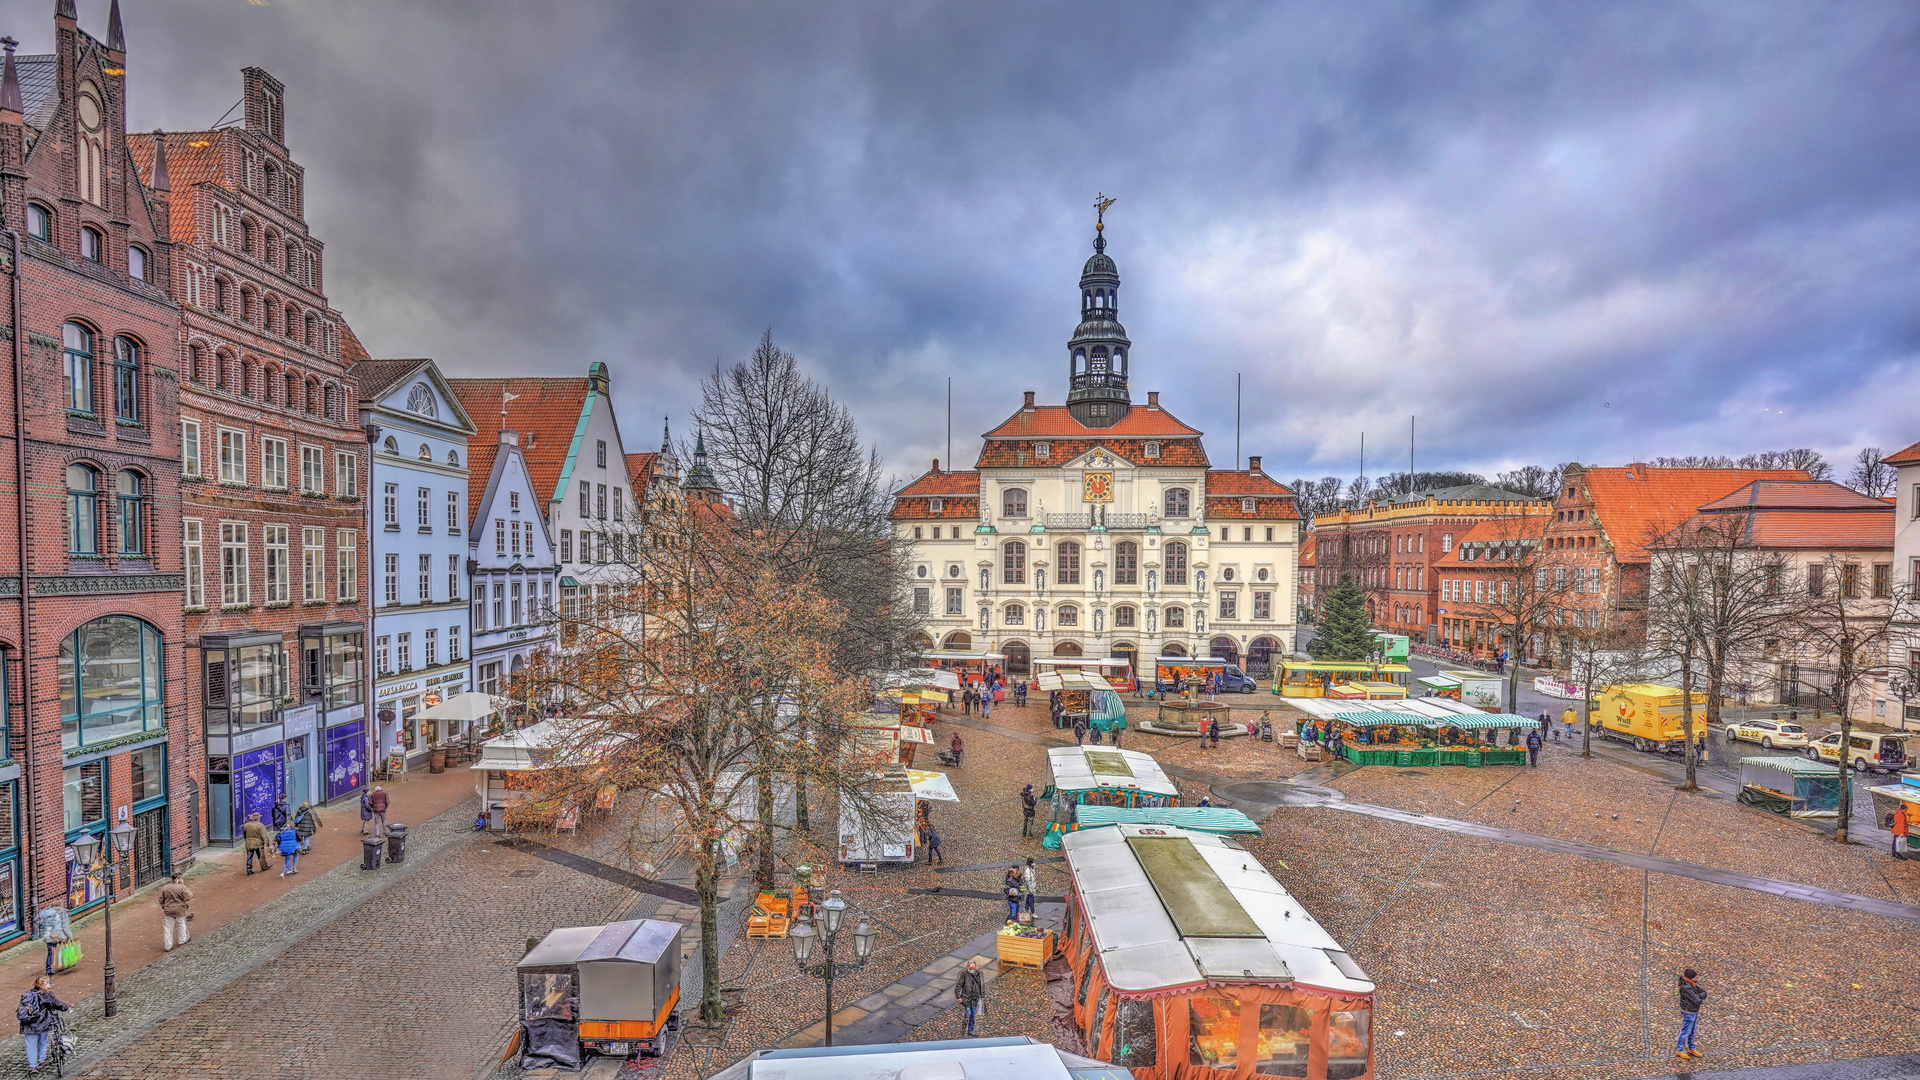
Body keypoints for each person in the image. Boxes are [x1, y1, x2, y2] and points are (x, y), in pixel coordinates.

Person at [19, 974, 69, 1074]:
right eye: (48, 983)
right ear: (42, 985)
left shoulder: (26, 994)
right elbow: (57, 1004)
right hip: (42, 1022)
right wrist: (67, 1007)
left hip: (28, 1024)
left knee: (31, 1044)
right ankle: (41, 1060)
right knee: (42, 1041)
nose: (50, 985)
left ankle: (33, 1066)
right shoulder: (46, 995)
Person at [158, 872, 193, 952]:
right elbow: (189, 896)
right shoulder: (182, 887)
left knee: (167, 928)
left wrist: (164, 906)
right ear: (178, 879)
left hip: (168, 910)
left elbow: (160, 899)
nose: (183, 880)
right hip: (180, 909)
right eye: (182, 878)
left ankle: (168, 946)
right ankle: (182, 940)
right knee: (181, 923)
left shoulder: (166, 887)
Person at [1676, 968, 1706, 1060]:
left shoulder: (1692, 985)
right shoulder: (1687, 988)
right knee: (1685, 1031)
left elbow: (1704, 993)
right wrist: (1699, 996)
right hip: (1688, 1011)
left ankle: (1691, 1048)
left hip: (1693, 1010)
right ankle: (1680, 1049)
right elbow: (1697, 1000)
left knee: (1692, 1030)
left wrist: (1699, 995)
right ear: (1691, 977)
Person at [955, 959, 985, 1036]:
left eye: (973, 968)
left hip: (974, 998)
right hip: (966, 998)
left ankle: (970, 1030)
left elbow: (980, 985)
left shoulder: (978, 974)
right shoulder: (964, 974)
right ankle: (963, 1029)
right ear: (968, 967)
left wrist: (981, 996)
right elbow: (959, 985)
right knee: (968, 1014)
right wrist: (958, 996)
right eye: (970, 968)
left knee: (972, 1014)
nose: (972, 970)